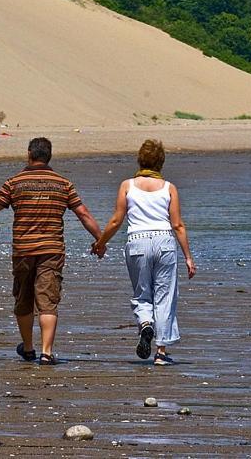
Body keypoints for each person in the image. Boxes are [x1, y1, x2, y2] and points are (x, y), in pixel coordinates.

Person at [0, 137, 103, 365]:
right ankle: (46, 352)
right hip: (52, 250)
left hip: (23, 250)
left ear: (29, 154)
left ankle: (28, 348)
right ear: (49, 156)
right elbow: (83, 214)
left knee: (24, 299)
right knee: (48, 300)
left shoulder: (15, 182)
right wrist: (100, 240)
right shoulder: (63, 183)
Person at [93, 139, 196, 366]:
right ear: (161, 162)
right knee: (165, 295)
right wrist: (188, 256)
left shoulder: (127, 186)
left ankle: (146, 323)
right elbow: (178, 225)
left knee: (142, 293)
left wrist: (101, 242)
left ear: (140, 159)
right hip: (165, 241)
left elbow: (116, 220)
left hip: (137, 241)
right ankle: (160, 351)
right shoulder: (169, 188)